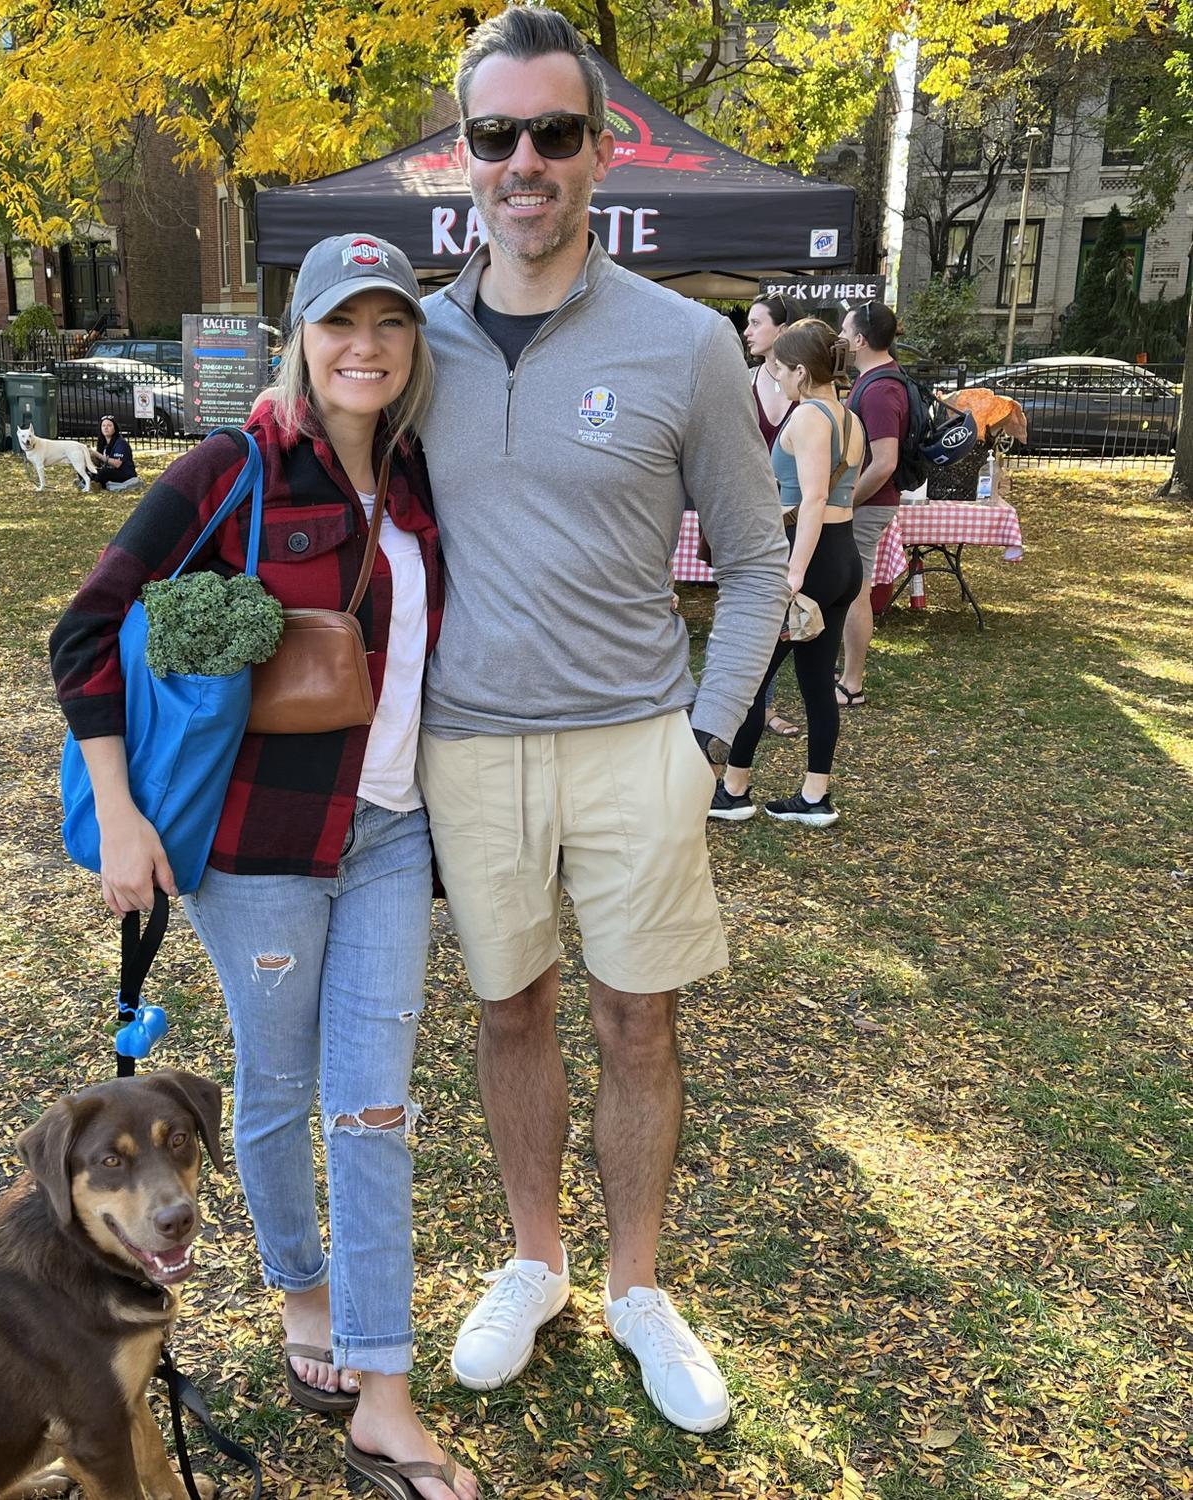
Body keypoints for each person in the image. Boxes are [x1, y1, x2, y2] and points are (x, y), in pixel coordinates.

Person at [50, 235, 477, 1500]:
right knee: (281, 1087)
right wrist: (124, 817)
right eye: (342, 324)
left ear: (413, 346)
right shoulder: (233, 469)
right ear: (301, 334)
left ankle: (384, 1392)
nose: (367, 347)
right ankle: (303, 1300)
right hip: (259, 856)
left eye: (390, 325)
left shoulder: (418, 486)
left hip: (394, 836)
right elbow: (85, 627)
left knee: (376, 1107)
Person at [415, 6, 788, 1436]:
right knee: (513, 1011)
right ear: (466, 155)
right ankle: (537, 1261)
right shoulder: (410, 342)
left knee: (641, 1019)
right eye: (496, 134)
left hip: (641, 735)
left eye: (553, 133)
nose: (525, 161)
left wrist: (707, 741)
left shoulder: (687, 342)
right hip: (470, 742)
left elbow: (756, 558)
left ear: (599, 148)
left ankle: (636, 1287)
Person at [710, 319, 864, 827]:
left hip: (810, 559)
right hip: (842, 557)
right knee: (817, 681)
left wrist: (794, 572)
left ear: (801, 370)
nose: (776, 379)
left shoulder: (808, 419)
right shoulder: (849, 418)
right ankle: (814, 796)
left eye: (780, 371)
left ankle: (734, 790)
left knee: (754, 678)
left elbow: (814, 496)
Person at [835, 299, 907, 708]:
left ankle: (853, 683)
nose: (842, 339)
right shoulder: (876, 380)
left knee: (857, 591)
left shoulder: (879, 390)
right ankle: (848, 674)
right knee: (851, 588)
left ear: (860, 339)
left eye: (846, 332)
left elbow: (884, 463)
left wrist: (847, 501)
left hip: (869, 503)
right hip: (868, 501)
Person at [743, 293, 801, 739]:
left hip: (798, 517)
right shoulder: (744, 380)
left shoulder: (808, 384)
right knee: (751, 607)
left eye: (756, 322)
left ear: (781, 330)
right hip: (752, 513)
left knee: (783, 612)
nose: (747, 331)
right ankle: (748, 705)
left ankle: (763, 707)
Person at [91, 414, 142, 492]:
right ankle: (95, 483)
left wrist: (99, 455)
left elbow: (117, 464)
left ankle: (96, 485)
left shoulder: (121, 443)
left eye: (109, 425)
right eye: (103, 425)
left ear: (115, 428)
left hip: (124, 473)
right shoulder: (102, 443)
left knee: (104, 472)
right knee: (89, 470)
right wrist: (91, 456)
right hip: (109, 470)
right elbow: (99, 464)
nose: (106, 428)